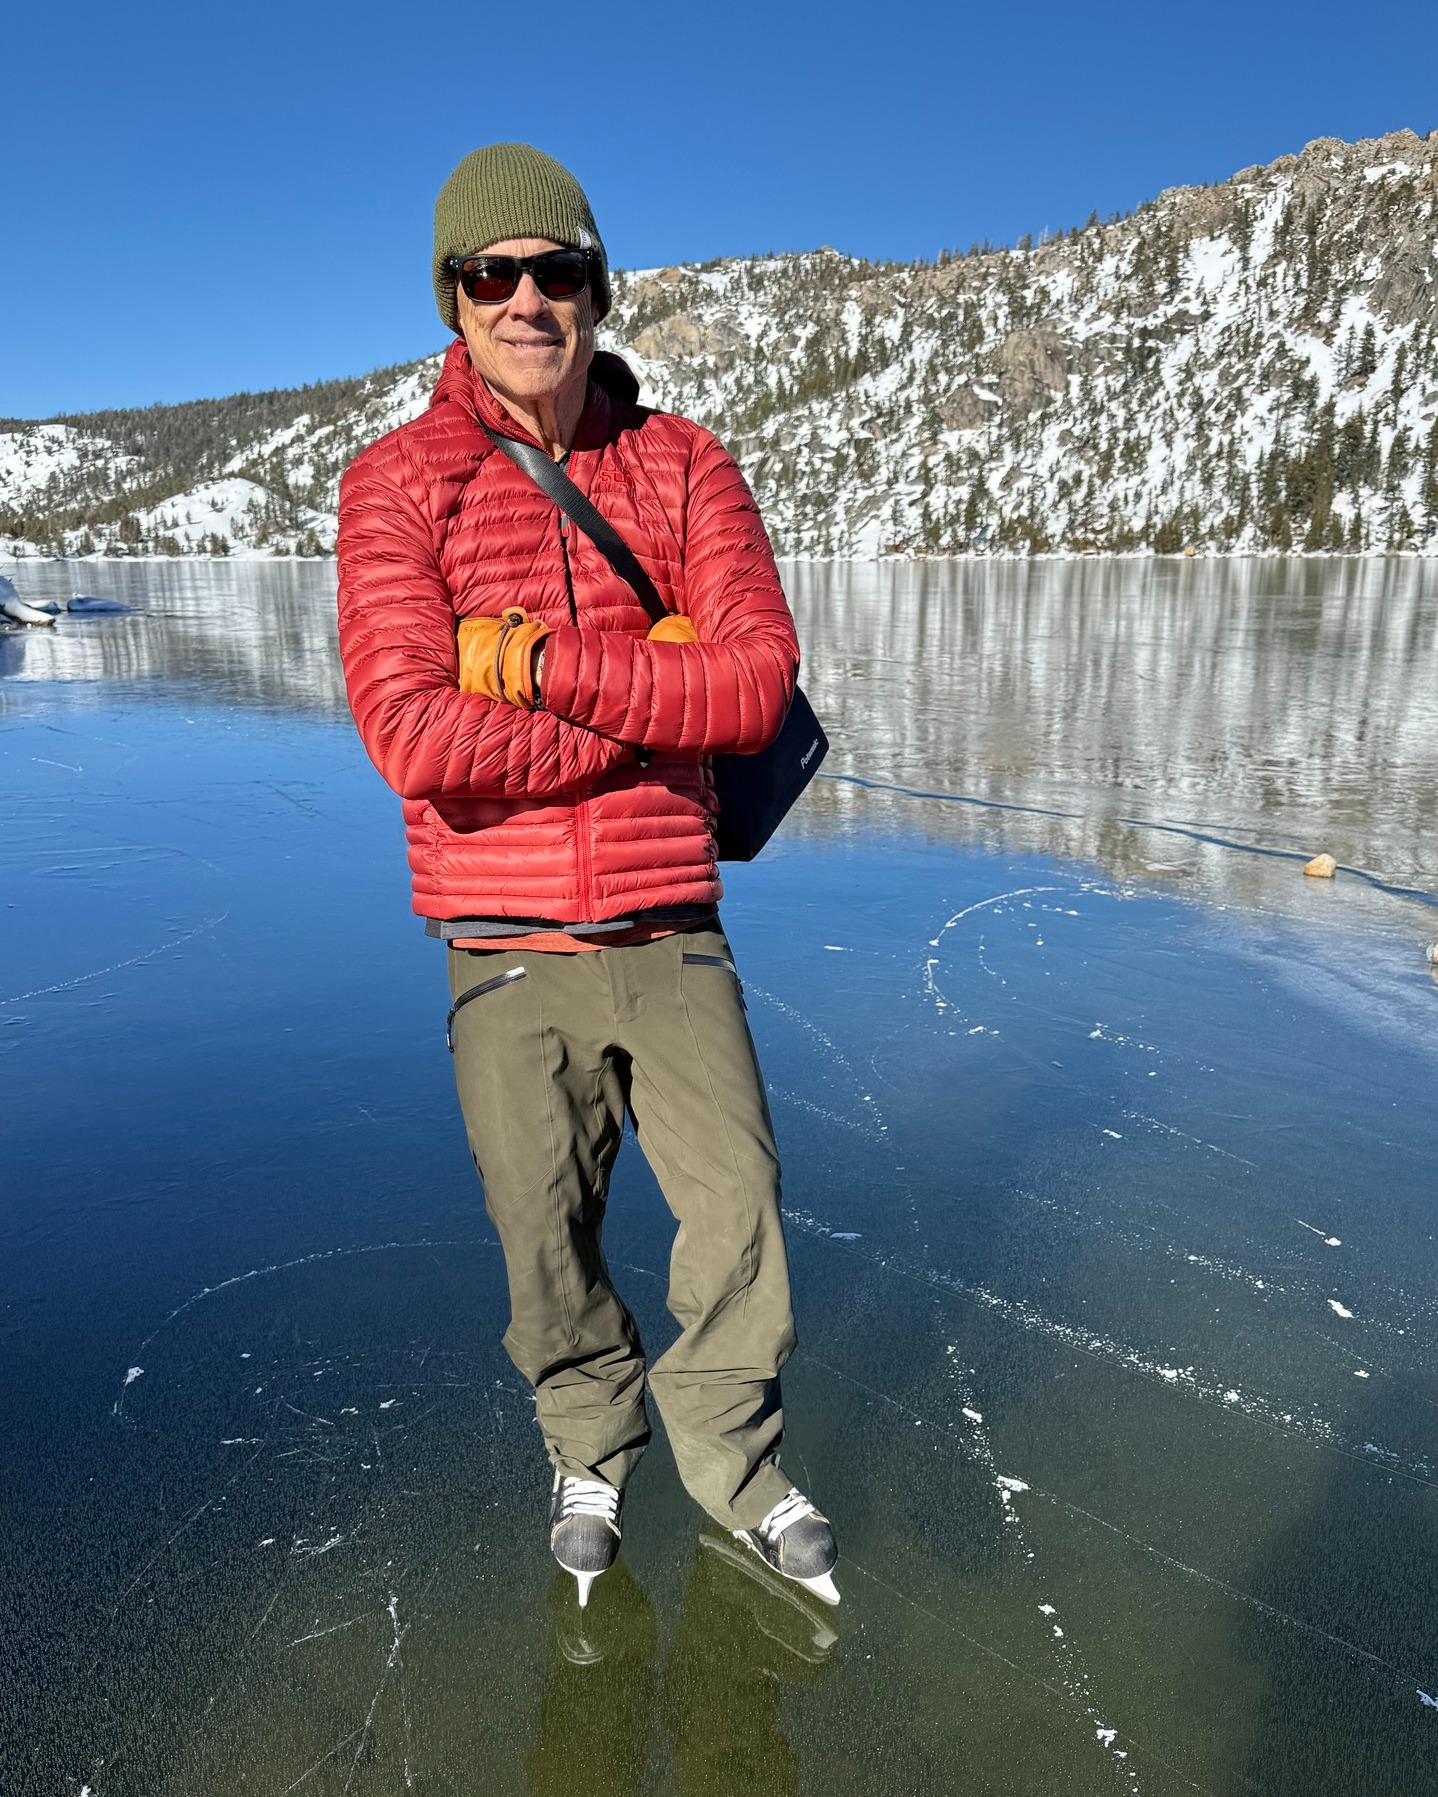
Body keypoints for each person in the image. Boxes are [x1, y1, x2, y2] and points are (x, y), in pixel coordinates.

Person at [336, 143, 837, 1609]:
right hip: (497, 928)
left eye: (556, 270)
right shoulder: (396, 483)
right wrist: (641, 704)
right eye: (493, 275)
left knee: (739, 1207)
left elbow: (748, 689)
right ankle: (587, 1439)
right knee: (543, 1232)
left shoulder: (682, 465)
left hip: (668, 917)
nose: (527, 300)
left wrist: (542, 666)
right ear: (454, 297)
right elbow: (413, 734)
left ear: (595, 288)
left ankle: (733, 1465)